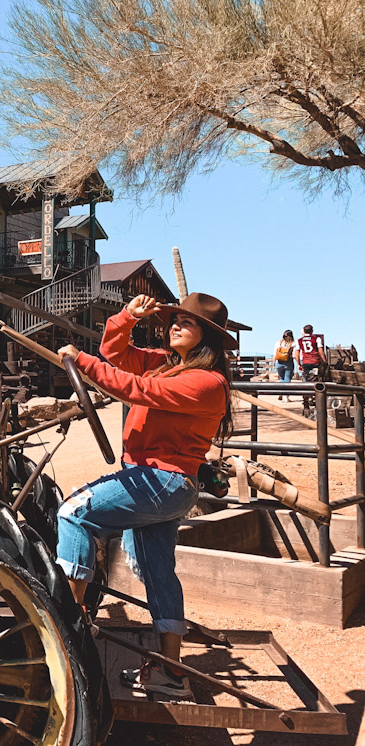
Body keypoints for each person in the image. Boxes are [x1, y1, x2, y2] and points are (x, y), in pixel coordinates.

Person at [56, 292, 235, 700]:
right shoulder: (166, 365)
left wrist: (81, 363)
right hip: (159, 482)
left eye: (185, 323)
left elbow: (136, 391)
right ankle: (169, 673)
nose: (174, 325)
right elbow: (114, 352)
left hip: (164, 481)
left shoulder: (208, 383)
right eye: (174, 320)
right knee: (157, 571)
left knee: (73, 512)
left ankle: (65, 624)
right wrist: (126, 317)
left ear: (206, 336)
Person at [274, 330, 295, 400]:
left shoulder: (279, 342)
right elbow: (294, 355)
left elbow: (275, 353)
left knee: (281, 378)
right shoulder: (293, 344)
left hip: (279, 362)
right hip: (288, 362)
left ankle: (281, 393)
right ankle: (285, 396)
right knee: (287, 378)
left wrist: (274, 362)